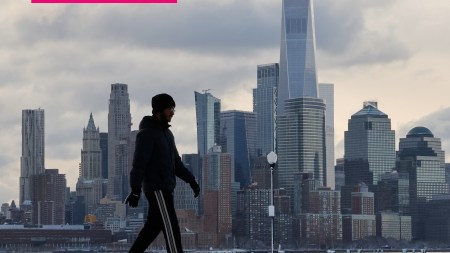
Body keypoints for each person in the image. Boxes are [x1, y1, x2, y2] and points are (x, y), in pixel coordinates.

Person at [125, 93, 200, 253]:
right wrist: (135, 190)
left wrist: (192, 181)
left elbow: (177, 164)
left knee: (152, 228)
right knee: (171, 228)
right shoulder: (147, 134)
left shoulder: (167, 134)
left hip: (166, 188)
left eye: (173, 109)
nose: (173, 112)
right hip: (157, 189)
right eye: (170, 108)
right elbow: (138, 165)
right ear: (159, 110)